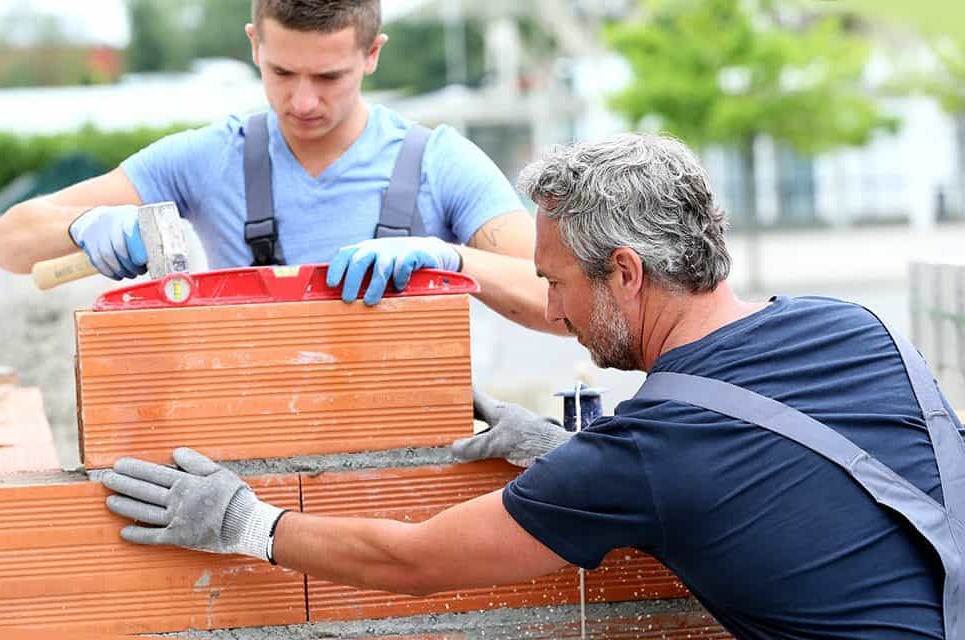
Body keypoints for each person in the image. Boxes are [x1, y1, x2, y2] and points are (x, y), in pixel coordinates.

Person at [101, 133, 963, 639]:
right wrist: (572, 459)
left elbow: (416, 561)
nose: (552, 309)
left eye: (557, 282)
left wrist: (246, 521)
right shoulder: (849, 326)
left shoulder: (652, 453)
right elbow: (775, 486)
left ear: (625, 272)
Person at [0, 0, 560, 334]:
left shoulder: (442, 162)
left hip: (409, 439)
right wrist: (82, 226)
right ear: (254, 44)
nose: (303, 102)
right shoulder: (205, 158)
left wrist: (451, 259)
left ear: (373, 53)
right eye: (282, 73)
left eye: (330, 77)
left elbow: (558, 306)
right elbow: (5, 243)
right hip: (252, 439)